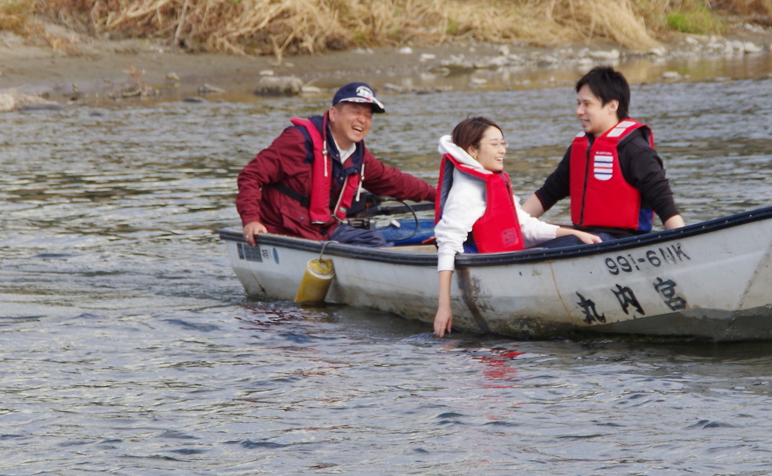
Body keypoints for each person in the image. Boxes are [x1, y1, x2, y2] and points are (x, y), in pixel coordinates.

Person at [432, 116, 600, 336]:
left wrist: (575, 233)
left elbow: (524, 227)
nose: (502, 150)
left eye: (503, 143)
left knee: (573, 241)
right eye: (494, 145)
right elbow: (447, 246)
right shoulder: (466, 192)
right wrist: (444, 307)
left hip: (503, 257)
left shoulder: (493, 179)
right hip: (482, 262)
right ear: (473, 150)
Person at [236, 82, 436, 247]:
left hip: (324, 230)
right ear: (333, 114)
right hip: (284, 231)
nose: (362, 120)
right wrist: (251, 221)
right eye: (355, 111)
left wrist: (439, 196)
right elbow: (250, 176)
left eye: (368, 116)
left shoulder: (359, 156)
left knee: (375, 241)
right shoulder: (297, 141)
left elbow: (396, 181)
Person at [521, 66, 684, 241]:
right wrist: (515, 225)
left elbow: (666, 207)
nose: (579, 111)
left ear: (612, 106)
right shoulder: (580, 149)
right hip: (585, 236)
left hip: (622, 241)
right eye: (578, 103)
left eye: (587, 104)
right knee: (533, 239)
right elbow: (547, 193)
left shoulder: (636, 151)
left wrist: (684, 244)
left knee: (568, 241)